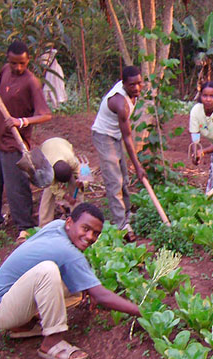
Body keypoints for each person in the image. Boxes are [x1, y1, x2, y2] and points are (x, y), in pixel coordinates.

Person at [0, 203, 141, 359]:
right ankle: (53, 343)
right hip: (0, 310)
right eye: (85, 228)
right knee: (48, 271)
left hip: (7, 299)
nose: (90, 237)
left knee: (75, 284)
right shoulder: (67, 251)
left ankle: (24, 326)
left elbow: (83, 279)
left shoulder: (57, 226)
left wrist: (87, 286)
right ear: (70, 222)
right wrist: (142, 312)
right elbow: (100, 296)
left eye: (96, 233)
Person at [0, 41, 52, 243]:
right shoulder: (6, 70)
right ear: (8, 60)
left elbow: (45, 115)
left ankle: (25, 226)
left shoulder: (31, 82)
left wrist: (21, 121)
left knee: (16, 186)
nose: (18, 68)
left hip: (15, 144)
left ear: (28, 61)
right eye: (14, 63)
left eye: (22, 64)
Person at [91, 66, 146, 242]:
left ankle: (128, 214)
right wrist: (137, 166)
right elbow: (128, 137)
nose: (136, 88)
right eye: (132, 85)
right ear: (124, 84)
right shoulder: (120, 103)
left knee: (123, 176)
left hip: (115, 136)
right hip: (104, 136)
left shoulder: (131, 93)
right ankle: (121, 226)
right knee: (114, 180)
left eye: (139, 83)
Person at [38, 138, 82, 227]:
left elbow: (85, 174)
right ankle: (44, 225)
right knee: (48, 192)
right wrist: (67, 197)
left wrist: (81, 183)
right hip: (46, 147)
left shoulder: (72, 161)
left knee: (77, 190)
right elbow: (54, 188)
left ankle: (77, 219)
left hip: (63, 144)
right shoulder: (47, 169)